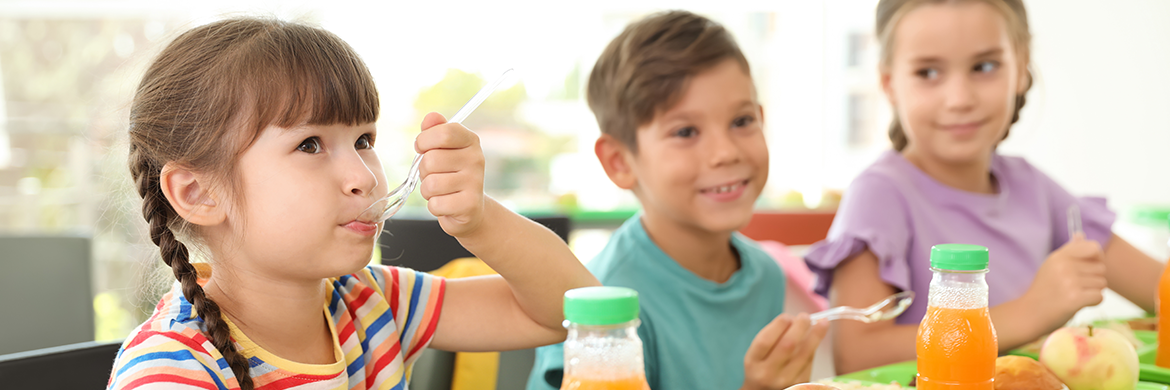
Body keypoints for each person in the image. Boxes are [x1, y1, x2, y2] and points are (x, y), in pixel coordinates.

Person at [106, 17, 599, 389]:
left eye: (364, 140)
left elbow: (566, 314)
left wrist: (479, 221)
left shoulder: (370, 302)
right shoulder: (170, 373)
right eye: (310, 145)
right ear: (199, 193)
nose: (364, 176)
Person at [804, 0, 1164, 373]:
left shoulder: (1036, 189)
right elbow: (856, 355)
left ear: (1022, 68)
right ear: (889, 83)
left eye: (984, 67)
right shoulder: (879, 195)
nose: (959, 99)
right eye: (927, 72)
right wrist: (1030, 312)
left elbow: (1159, 288)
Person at [527, 11, 827, 390]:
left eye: (742, 121)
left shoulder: (766, 275)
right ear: (619, 162)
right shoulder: (605, 307)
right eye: (686, 131)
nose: (725, 152)